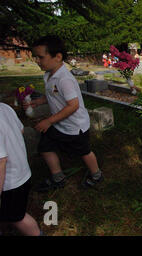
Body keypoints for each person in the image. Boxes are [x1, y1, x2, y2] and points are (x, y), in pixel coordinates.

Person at [24, 35, 103, 192]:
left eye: (40, 57)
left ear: (58, 56)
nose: (37, 61)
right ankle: (58, 178)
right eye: (35, 57)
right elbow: (54, 95)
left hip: (75, 126)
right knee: (45, 146)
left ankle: (96, 175)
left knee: (84, 151)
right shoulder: (49, 75)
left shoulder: (64, 79)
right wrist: (40, 101)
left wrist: (49, 121)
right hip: (60, 124)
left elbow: (73, 106)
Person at [0, 103, 42, 236]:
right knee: (10, 212)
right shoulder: (4, 107)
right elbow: (21, 130)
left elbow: (1, 161)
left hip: (9, 182)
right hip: (22, 172)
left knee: (18, 217)